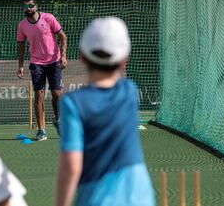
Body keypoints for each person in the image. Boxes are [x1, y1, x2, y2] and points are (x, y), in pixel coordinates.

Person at [55, 17, 155, 206]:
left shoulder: (72, 103)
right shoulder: (129, 92)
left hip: (96, 198)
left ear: (82, 56)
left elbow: (71, 166)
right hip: (141, 196)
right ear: (124, 59)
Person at [16, 0, 67, 141]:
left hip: (54, 60)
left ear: (35, 6)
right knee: (39, 95)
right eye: (26, 6)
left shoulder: (48, 18)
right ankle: (41, 130)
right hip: (36, 63)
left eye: (31, 5)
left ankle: (58, 119)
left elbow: (62, 36)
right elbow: (20, 46)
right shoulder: (22, 26)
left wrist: (63, 56)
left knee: (57, 94)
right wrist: (20, 66)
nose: (28, 8)